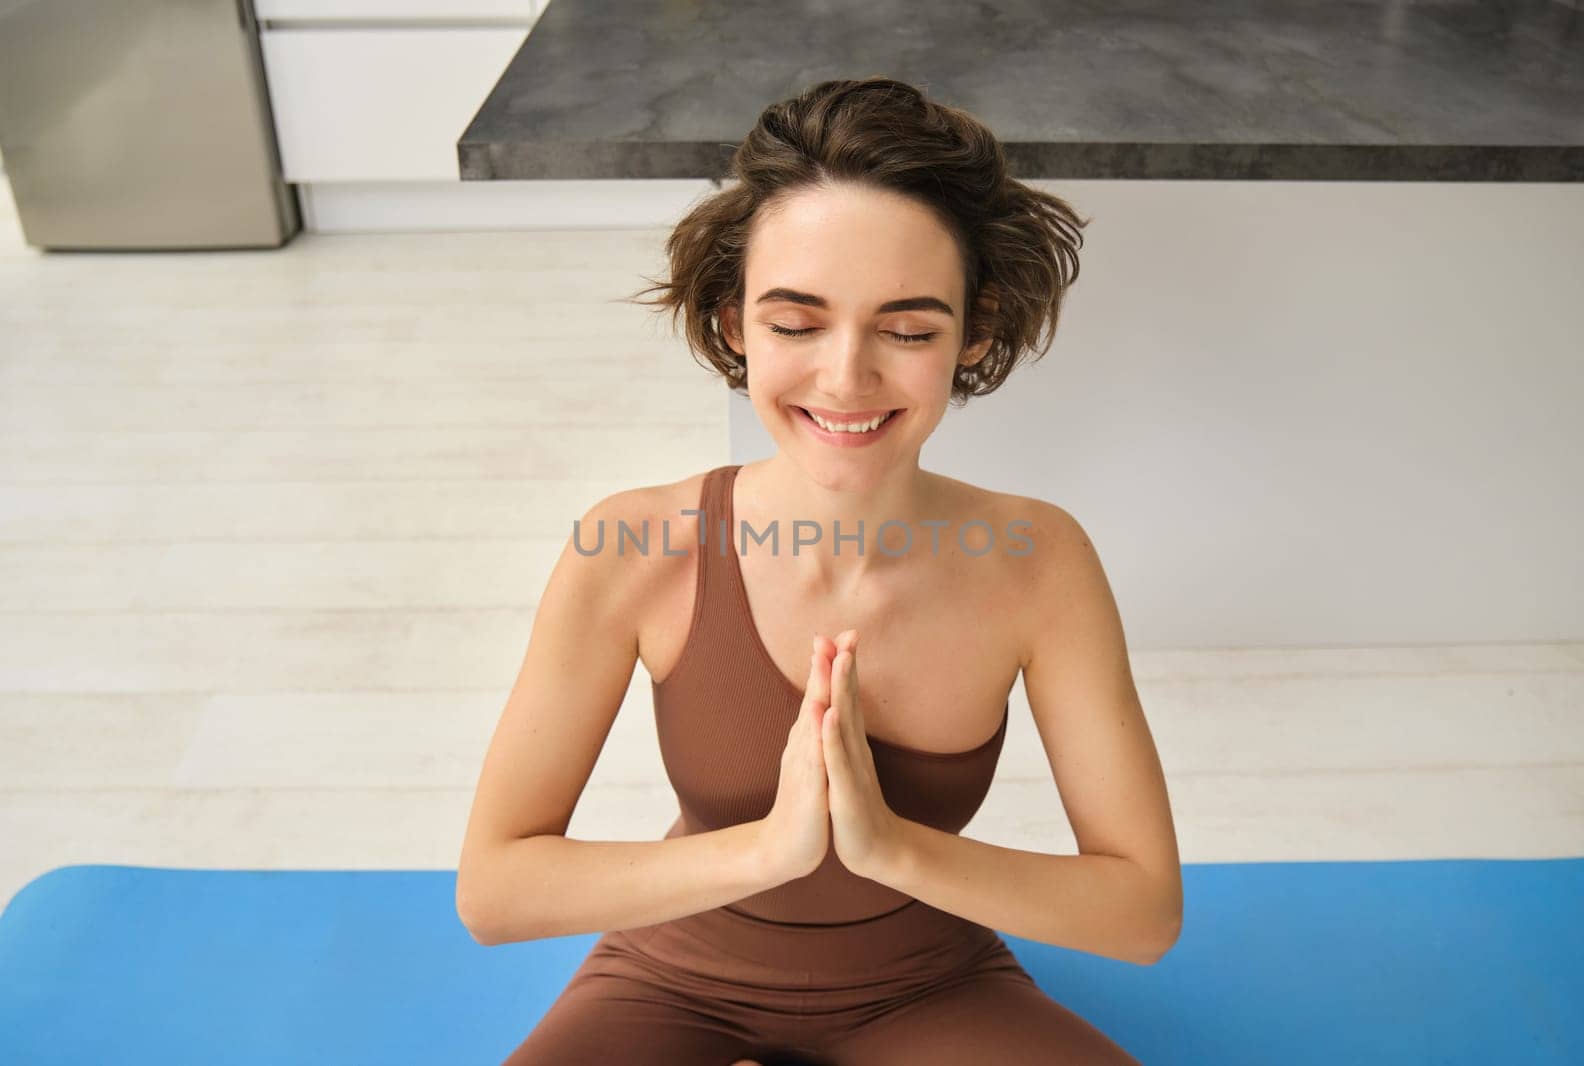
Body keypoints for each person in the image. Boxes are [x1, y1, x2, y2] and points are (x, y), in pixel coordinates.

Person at [457, 75, 1181, 1065]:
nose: (846, 376)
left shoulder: (1037, 561)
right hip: (674, 981)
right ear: (731, 325)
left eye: (908, 329)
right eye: (795, 323)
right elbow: (493, 892)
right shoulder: (633, 545)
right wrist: (767, 849)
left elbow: (1141, 912)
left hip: (931, 984)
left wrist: (886, 846)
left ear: (974, 331)